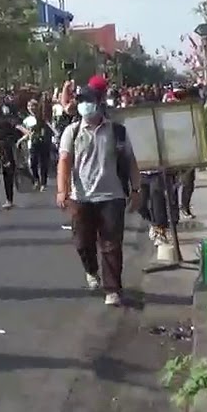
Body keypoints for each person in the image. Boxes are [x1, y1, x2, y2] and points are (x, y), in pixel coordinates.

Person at [56, 88, 142, 307]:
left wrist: (136, 189)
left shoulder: (117, 131)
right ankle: (91, 270)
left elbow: (131, 161)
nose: (85, 105)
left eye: (89, 101)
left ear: (99, 103)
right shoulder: (72, 132)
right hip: (80, 197)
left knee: (111, 244)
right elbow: (64, 161)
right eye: (81, 101)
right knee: (83, 242)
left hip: (112, 196)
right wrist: (62, 190)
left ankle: (112, 289)